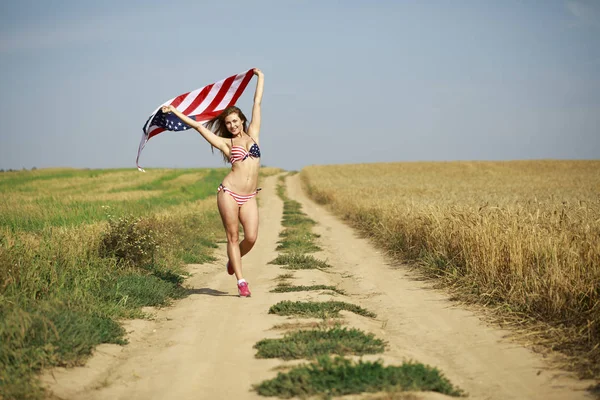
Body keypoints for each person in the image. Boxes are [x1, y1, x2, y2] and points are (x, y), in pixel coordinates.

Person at [161, 68, 264, 298]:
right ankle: (241, 281)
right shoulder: (226, 144)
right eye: (228, 123)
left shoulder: (254, 135)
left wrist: (260, 77)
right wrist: (175, 111)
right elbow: (198, 126)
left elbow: (257, 103)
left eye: (235, 121)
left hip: (249, 196)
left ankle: (233, 260)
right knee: (233, 237)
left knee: (251, 237)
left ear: (242, 120)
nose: (232, 126)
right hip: (229, 193)